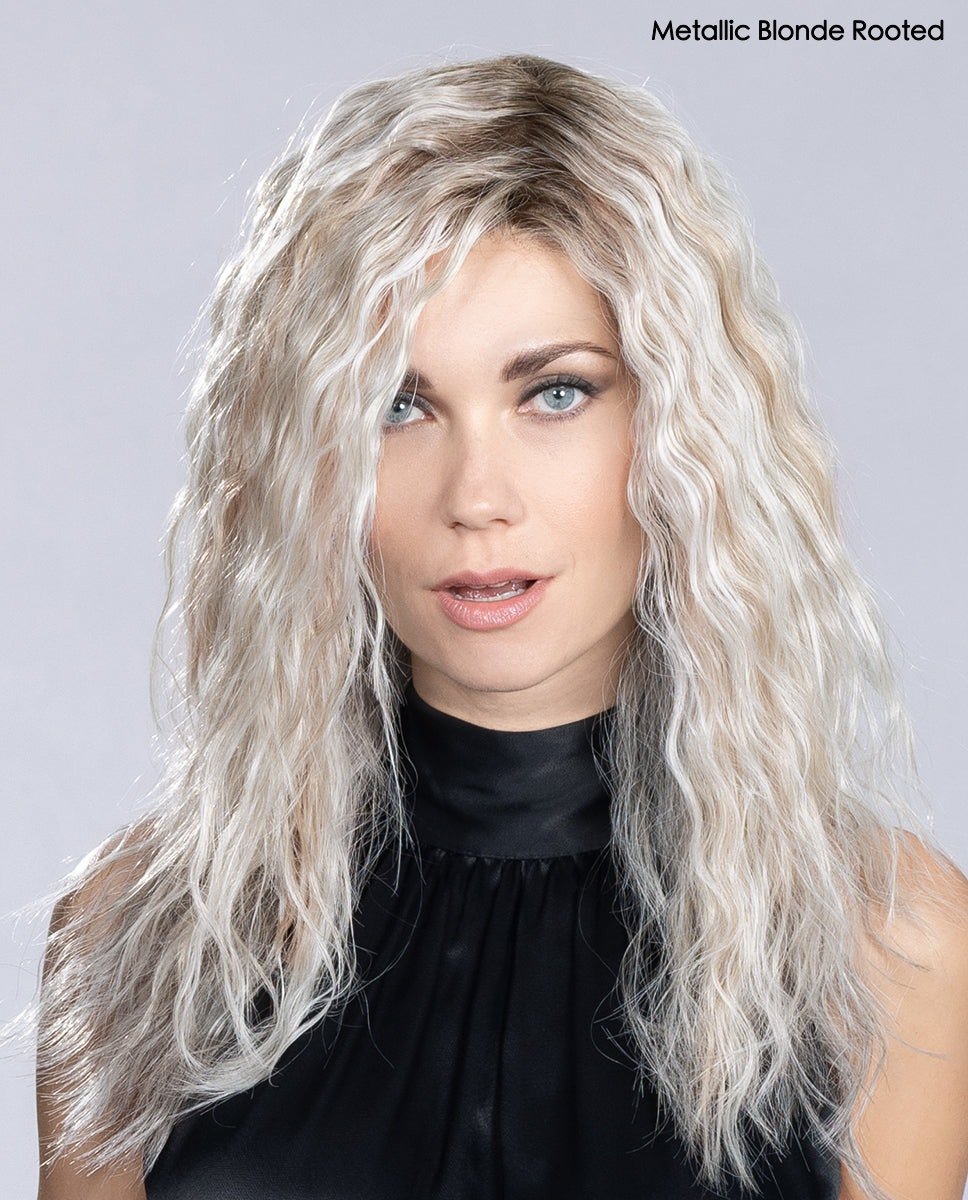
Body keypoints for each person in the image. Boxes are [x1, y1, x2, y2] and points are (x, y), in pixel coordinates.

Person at [26, 52, 968, 1200]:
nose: (475, 496)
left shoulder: (885, 946)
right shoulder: (135, 942)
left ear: (679, 432)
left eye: (554, 393)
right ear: (308, 460)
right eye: (399, 405)